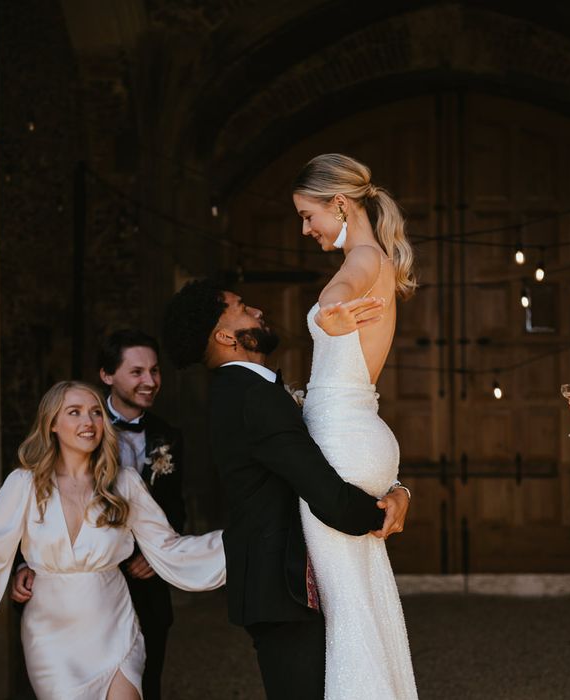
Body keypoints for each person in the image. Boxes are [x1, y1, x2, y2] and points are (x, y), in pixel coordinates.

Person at [161, 279, 410, 700]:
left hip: (279, 587)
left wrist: (397, 488)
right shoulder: (252, 395)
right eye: (241, 307)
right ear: (225, 335)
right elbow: (324, 491)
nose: (257, 311)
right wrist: (382, 512)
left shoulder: (243, 392)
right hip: (283, 589)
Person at [0, 381, 225, 699]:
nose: (88, 422)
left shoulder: (124, 483)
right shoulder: (24, 484)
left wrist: (240, 541)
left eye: (95, 412)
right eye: (74, 412)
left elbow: (168, 547)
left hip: (114, 625)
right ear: (52, 424)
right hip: (51, 635)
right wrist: (20, 567)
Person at [291, 153, 418, 699]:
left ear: (338, 203)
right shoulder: (378, 258)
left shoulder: (362, 259)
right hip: (362, 434)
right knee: (365, 604)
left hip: (342, 442)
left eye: (307, 214)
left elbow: (335, 296)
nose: (305, 229)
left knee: (348, 615)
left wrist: (326, 313)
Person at [12, 330, 185, 699]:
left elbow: (173, 516)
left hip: (126, 603)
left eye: (154, 371)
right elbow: (5, 535)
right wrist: (25, 565)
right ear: (107, 375)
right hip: (55, 615)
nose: (149, 381)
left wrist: (160, 556)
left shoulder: (164, 439)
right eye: (137, 371)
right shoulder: (28, 480)